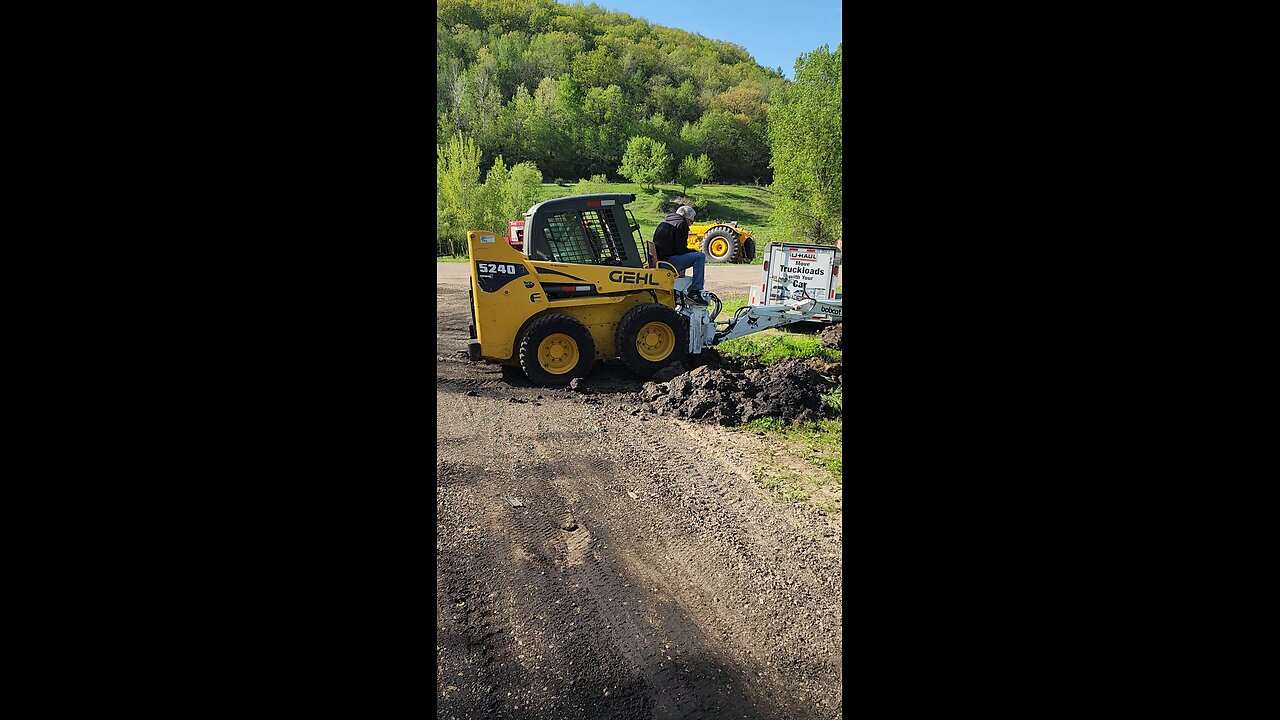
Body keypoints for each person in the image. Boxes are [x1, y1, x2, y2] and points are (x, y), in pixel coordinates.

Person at [652, 205, 708, 305]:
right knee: (700, 256)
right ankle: (695, 291)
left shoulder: (666, 221)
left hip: (660, 260)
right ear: (688, 218)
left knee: (695, 255)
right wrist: (694, 252)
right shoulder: (681, 224)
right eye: (692, 221)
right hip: (668, 262)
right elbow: (680, 250)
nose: (691, 225)